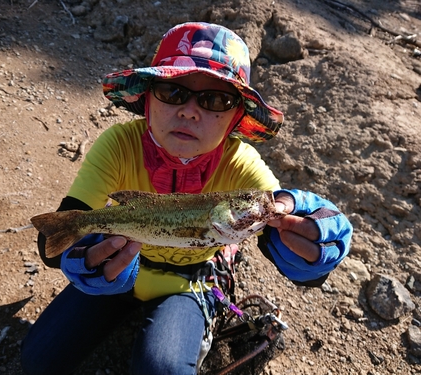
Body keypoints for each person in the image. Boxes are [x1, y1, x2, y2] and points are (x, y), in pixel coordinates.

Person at [21, 22, 352, 375]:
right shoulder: (118, 145)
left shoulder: (242, 167)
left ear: (235, 117)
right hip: (115, 272)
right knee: (37, 360)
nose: (190, 111)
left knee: (161, 368)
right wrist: (82, 258)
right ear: (146, 98)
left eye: (215, 100)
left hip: (189, 284)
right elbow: (54, 240)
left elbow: (279, 221)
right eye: (172, 91)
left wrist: (311, 250)